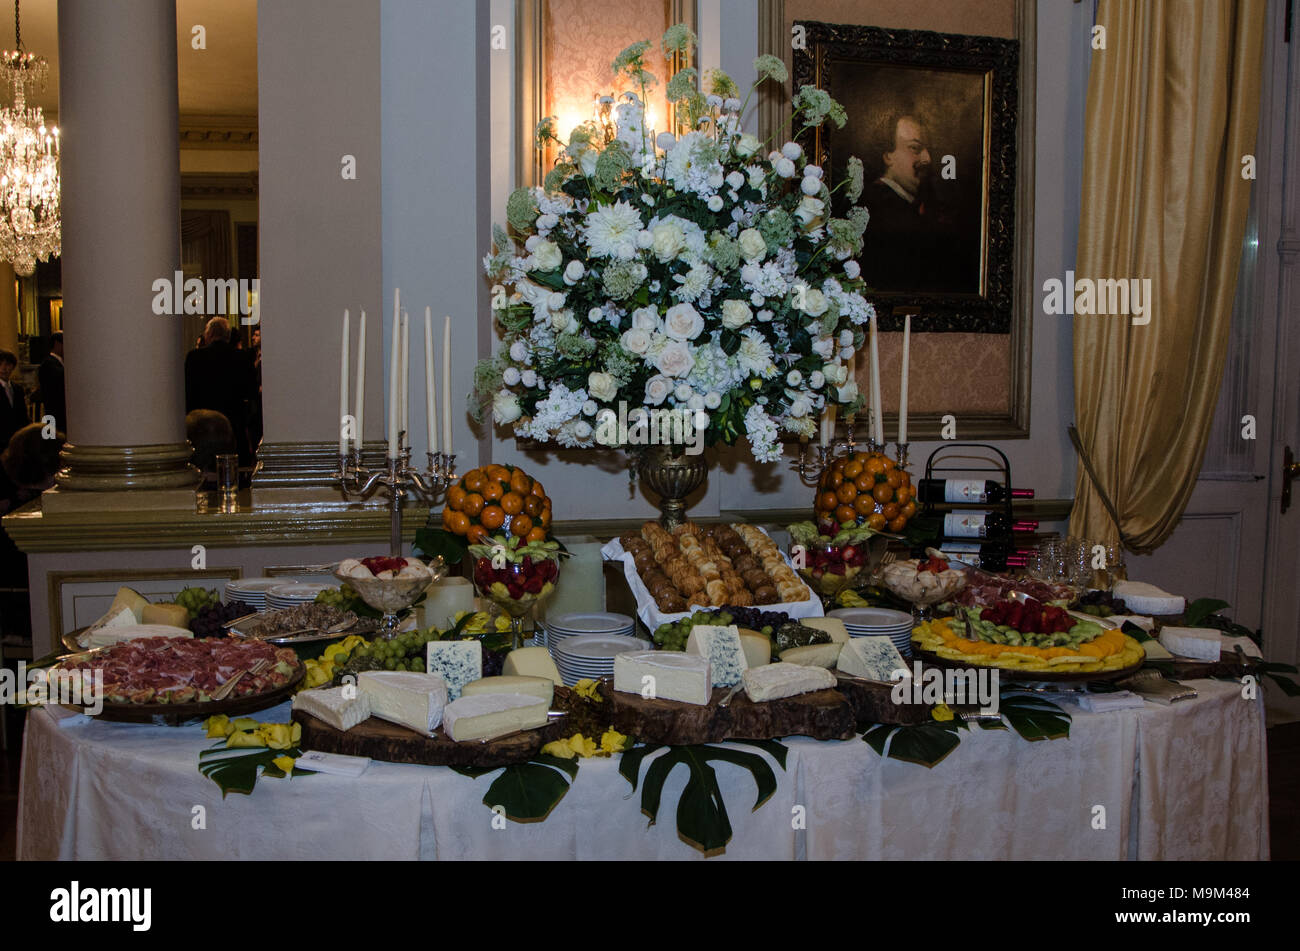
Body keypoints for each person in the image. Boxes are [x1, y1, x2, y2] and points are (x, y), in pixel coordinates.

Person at [860, 110, 970, 294]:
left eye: (928, 150)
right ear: (888, 156)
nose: (927, 159)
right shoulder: (877, 208)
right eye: (915, 149)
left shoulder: (920, 204)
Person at [184, 317, 255, 466]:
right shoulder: (242, 357)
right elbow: (251, 391)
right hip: (233, 424)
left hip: (201, 426)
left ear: (208, 335)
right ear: (228, 336)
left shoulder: (194, 358)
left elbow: (188, 394)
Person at [0, 348, 28, 451]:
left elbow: (22, 414)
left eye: (7, 365)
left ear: (12, 367)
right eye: (0, 364)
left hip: (15, 439)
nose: (3, 368)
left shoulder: (17, 389)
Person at [38, 330, 66, 434]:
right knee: (53, 438)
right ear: (57, 344)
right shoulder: (49, 363)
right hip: (54, 411)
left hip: (60, 412)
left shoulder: (60, 363)